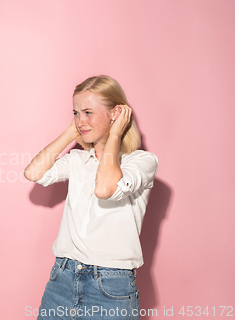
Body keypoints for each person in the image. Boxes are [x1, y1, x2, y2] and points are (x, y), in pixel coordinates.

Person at [24, 75, 158, 320]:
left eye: (88, 112)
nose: (80, 121)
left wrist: (115, 135)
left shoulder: (141, 162)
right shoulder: (78, 160)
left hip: (111, 287)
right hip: (62, 278)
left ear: (116, 113)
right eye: (75, 113)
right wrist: (71, 132)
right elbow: (33, 172)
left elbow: (104, 189)